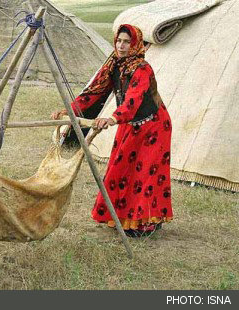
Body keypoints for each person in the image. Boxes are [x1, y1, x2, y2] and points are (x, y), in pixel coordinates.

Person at [52, 24, 173, 237]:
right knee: (121, 169)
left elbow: (133, 100)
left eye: (127, 42)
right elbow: (92, 93)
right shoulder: (113, 65)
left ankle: (145, 222)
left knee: (145, 173)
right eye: (119, 41)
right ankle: (122, 217)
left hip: (153, 126)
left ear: (135, 43)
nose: (122, 45)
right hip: (130, 125)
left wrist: (113, 118)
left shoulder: (143, 69)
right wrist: (68, 110)